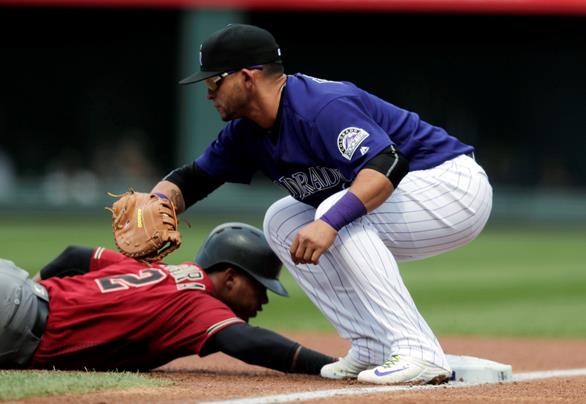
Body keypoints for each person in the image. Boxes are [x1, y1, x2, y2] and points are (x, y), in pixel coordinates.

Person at [151, 24, 493, 385]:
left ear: (247, 78)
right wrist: (157, 200)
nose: (208, 94)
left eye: (213, 82)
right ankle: (372, 344)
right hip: (408, 194)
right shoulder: (246, 132)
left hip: (450, 185)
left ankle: (419, 351)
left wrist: (330, 222)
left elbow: (387, 164)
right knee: (281, 219)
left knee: (334, 210)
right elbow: (193, 179)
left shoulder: (319, 106)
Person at [0, 222, 334, 373]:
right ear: (229, 277)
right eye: (259, 285)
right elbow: (246, 342)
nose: (263, 299)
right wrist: (329, 365)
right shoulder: (198, 301)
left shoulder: (156, 272)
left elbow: (75, 255)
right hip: (3, 320)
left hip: (1, 281)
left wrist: (32, 293)